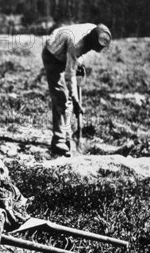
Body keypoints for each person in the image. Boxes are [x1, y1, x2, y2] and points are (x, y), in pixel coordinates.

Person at [42, 23, 111, 155]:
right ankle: (59, 141)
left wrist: (79, 63)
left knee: (67, 102)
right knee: (61, 98)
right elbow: (69, 75)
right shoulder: (76, 44)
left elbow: (80, 53)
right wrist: (75, 100)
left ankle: (68, 138)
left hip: (67, 50)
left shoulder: (95, 30)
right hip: (53, 56)